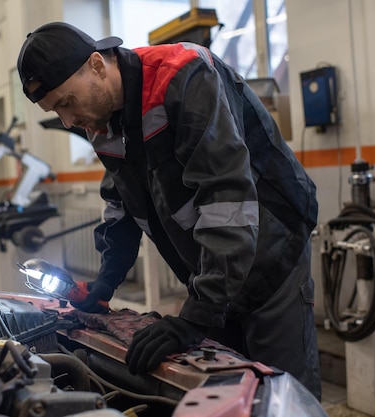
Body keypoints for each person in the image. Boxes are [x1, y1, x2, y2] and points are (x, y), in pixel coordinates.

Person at [17, 22, 322, 400]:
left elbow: (226, 199)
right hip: (212, 265)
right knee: (229, 389)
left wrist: (194, 318)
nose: (67, 120)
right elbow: (121, 205)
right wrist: (105, 283)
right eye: (56, 110)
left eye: (66, 102)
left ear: (97, 65)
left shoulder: (183, 76)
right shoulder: (100, 117)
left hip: (271, 252)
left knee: (282, 395)